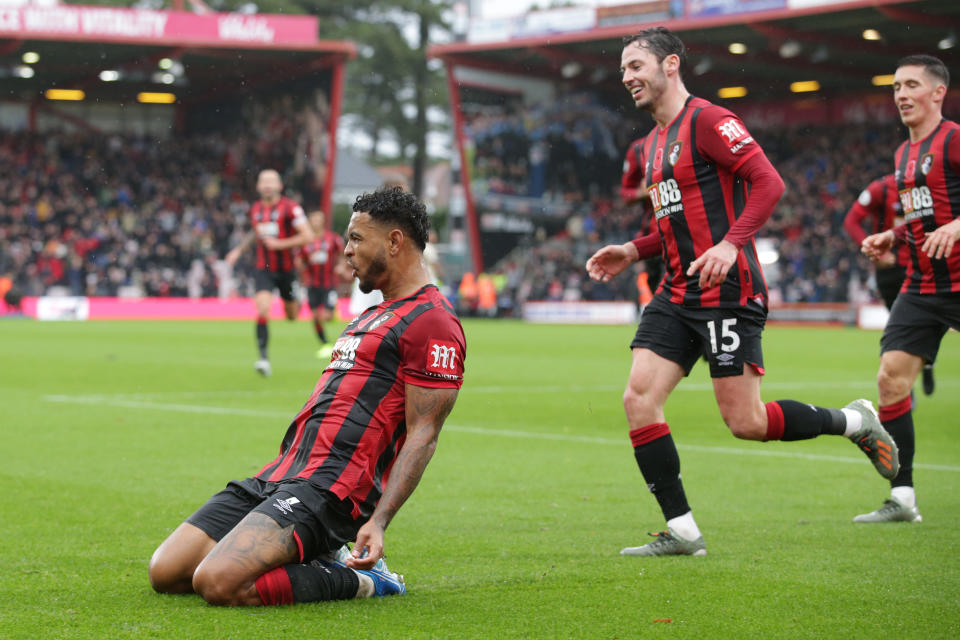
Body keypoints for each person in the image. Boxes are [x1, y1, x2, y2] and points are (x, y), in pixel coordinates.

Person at [585, 27, 899, 556]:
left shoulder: (708, 120)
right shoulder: (654, 144)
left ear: (670, 66)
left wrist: (732, 245)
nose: (626, 77)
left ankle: (853, 421)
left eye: (636, 65)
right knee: (639, 398)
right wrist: (633, 251)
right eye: (622, 69)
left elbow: (769, 182)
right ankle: (682, 529)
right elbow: (674, 225)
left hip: (729, 292)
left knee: (747, 423)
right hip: (676, 292)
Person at [149, 186, 466, 606]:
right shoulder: (370, 315)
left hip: (332, 490)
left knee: (219, 582)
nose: (346, 252)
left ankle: (368, 581)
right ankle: (320, 550)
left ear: (394, 241)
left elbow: (423, 433)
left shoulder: (433, 322)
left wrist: (379, 521)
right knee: (167, 572)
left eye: (355, 239)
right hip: (282, 473)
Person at [859, 54, 960, 523]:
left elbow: (948, 219)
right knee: (890, 378)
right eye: (896, 85)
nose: (901, 94)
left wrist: (957, 228)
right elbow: (923, 217)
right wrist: (893, 235)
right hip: (921, 286)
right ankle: (902, 498)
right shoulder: (903, 154)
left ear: (938, 93)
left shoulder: (954, 140)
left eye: (912, 85)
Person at [843, 174, 935, 395]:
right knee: (899, 323)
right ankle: (905, 381)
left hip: (922, 264)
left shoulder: (931, 186)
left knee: (920, 320)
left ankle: (922, 367)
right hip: (890, 268)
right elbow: (851, 221)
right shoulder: (880, 189)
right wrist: (874, 251)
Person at [225, 169, 314, 377]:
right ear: (258, 186)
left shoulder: (291, 208)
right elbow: (255, 233)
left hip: (287, 270)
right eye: (263, 181)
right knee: (263, 308)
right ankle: (263, 359)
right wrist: (238, 250)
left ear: (279, 186)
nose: (267, 185)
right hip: (263, 269)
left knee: (292, 315)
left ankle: (295, 302)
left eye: (271, 181)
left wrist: (280, 244)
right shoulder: (256, 209)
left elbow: (308, 235)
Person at [621, 134, 664, 302]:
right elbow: (626, 193)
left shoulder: (691, 139)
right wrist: (643, 192)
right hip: (652, 240)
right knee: (659, 296)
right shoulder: (638, 149)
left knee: (666, 302)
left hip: (682, 238)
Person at [299, 209, 345, 359]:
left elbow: (342, 254)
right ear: (310, 222)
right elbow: (301, 260)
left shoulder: (333, 239)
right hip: (312, 284)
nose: (316, 222)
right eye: (313, 219)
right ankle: (325, 343)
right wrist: (301, 269)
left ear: (323, 221)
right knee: (315, 318)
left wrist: (341, 266)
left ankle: (333, 312)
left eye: (319, 219)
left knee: (325, 316)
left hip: (329, 283)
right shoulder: (305, 242)